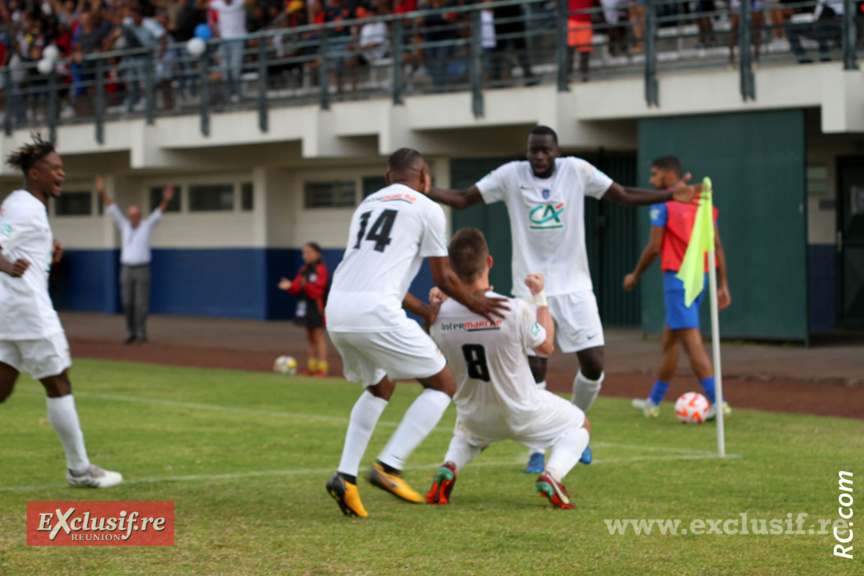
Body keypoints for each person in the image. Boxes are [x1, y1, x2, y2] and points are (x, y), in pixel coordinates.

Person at [426, 125, 699, 473]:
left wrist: (669, 195)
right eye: (533, 150)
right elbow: (465, 198)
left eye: (545, 150)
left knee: (594, 364)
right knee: (535, 367)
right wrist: (428, 191)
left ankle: (574, 423)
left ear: (557, 151)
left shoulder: (577, 170)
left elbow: (622, 194)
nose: (539, 156)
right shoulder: (511, 175)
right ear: (527, 152)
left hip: (574, 286)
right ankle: (536, 451)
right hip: (530, 285)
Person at [324, 148, 508, 518]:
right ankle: (389, 467)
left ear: (387, 177)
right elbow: (444, 277)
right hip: (375, 312)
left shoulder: (367, 205)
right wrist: (476, 304)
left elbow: (378, 276)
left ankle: (345, 477)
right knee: (442, 384)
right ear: (424, 176)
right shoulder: (427, 208)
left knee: (380, 387)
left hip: (337, 309)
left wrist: (425, 311)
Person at [425, 228, 591, 509]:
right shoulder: (513, 308)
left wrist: (439, 304)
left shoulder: (438, 316)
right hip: (522, 411)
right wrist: (540, 298)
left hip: (475, 415)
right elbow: (546, 347)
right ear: (489, 262)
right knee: (581, 425)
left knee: (468, 435)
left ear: (450, 269)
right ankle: (552, 474)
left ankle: (450, 465)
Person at [0, 135, 122, 488]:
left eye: (62, 168)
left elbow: (17, 246)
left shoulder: (22, 204)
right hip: (28, 312)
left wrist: (45, 256)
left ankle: (79, 469)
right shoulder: (25, 206)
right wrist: (6, 265)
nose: (61, 174)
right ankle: (79, 470)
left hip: (9, 311)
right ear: (34, 173)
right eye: (55, 168)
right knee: (59, 382)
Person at [624, 156, 731, 420]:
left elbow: (654, 247)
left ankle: (718, 402)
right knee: (670, 340)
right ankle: (653, 402)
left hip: (677, 280)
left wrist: (635, 275)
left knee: (692, 342)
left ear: (669, 175)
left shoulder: (663, 203)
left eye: (655, 174)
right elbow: (717, 246)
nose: (651, 180)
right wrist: (723, 284)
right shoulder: (704, 203)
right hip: (701, 279)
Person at [96, 175, 174, 344]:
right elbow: (112, 208)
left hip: (142, 269)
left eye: (137, 215)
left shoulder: (146, 226)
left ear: (140, 216)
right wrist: (102, 190)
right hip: (126, 269)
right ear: (128, 216)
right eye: (132, 215)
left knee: (141, 303)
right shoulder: (124, 225)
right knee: (128, 302)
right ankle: (131, 332)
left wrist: (166, 200)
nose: (134, 218)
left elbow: (158, 213)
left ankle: (141, 332)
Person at [279, 242, 330, 377]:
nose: (305, 255)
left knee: (318, 337)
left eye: (308, 252)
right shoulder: (303, 269)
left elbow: (318, 291)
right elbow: (297, 286)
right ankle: (312, 367)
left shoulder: (321, 270)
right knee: (310, 336)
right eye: (303, 252)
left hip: (317, 307)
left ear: (317, 254)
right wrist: (290, 286)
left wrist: (306, 285)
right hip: (305, 306)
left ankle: (322, 368)